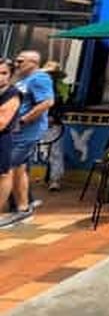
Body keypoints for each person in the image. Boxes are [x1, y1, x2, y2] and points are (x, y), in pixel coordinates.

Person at [8, 51, 54, 221]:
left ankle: (22, 207)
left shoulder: (39, 78)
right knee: (20, 167)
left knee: (10, 166)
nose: (17, 63)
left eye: (20, 61)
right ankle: (23, 203)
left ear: (33, 62)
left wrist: (23, 120)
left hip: (27, 132)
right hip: (15, 132)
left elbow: (47, 102)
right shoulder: (23, 80)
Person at [0, 59, 22, 215]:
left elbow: (1, 122)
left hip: (2, 139)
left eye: (4, 73)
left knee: (2, 175)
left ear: (10, 75)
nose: (0, 76)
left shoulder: (12, 94)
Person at [42, 61, 68, 191]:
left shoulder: (61, 89)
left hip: (53, 125)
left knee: (56, 152)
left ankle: (55, 180)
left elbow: (63, 106)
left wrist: (54, 117)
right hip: (37, 123)